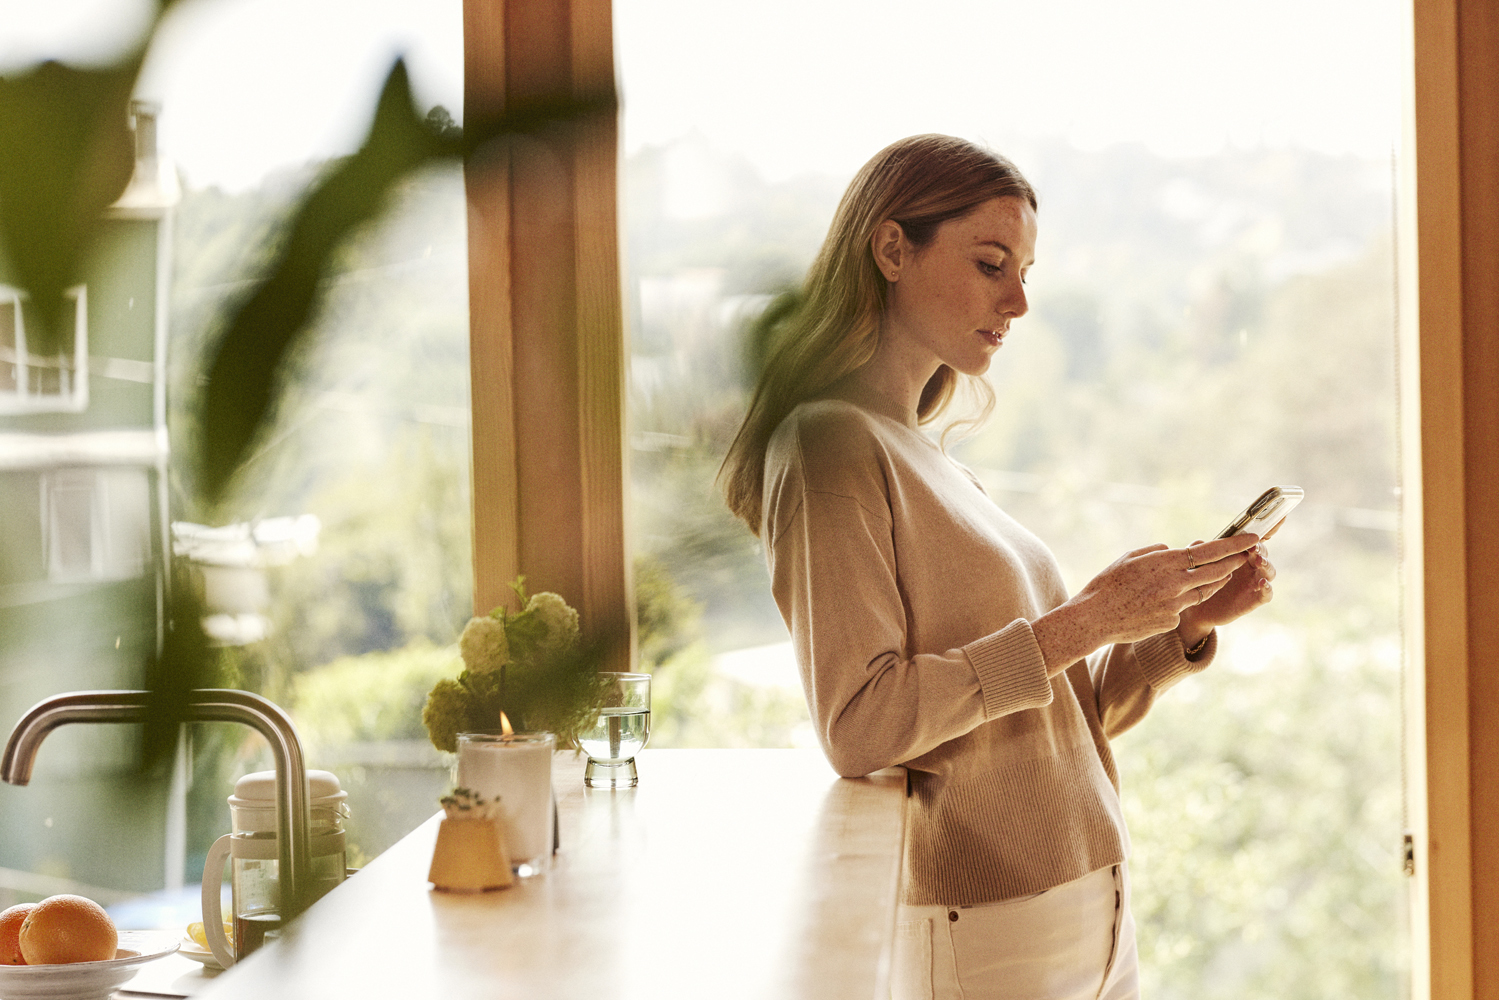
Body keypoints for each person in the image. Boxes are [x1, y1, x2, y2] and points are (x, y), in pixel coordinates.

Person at [718, 134, 1276, 1000]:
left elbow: (1050, 714)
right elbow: (860, 726)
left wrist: (1178, 627)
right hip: (988, 929)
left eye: (1024, 272)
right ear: (891, 249)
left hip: (1090, 907)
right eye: (990, 263)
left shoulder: (934, 460)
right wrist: (1087, 619)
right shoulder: (829, 445)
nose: (1016, 300)